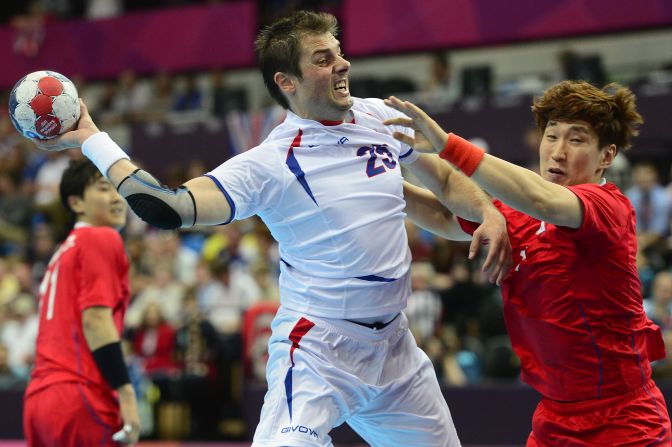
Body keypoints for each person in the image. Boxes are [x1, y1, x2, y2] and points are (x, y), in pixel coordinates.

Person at [33, 11, 512, 446]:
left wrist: (486, 214)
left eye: (340, 52)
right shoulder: (269, 163)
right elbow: (166, 207)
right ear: (286, 80)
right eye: (324, 59)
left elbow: (446, 182)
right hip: (319, 351)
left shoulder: (379, 116)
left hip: (396, 350)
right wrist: (93, 139)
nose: (343, 64)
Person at [383, 81, 672, 445]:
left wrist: (447, 145)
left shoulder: (609, 207)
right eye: (551, 137)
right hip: (554, 420)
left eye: (577, 140)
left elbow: (542, 199)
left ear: (607, 156)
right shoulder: (516, 215)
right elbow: (443, 210)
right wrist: (382, 172)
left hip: (625, 421)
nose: (558, 152)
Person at [23, 158, 140, 446]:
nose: (116, 197)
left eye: (117, 188)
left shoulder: (62, 251)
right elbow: (95, 319)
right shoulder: (100, 238)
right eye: (103, 188)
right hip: (79, 394)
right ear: (76, 203)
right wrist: (126, 393)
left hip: (39, 399)